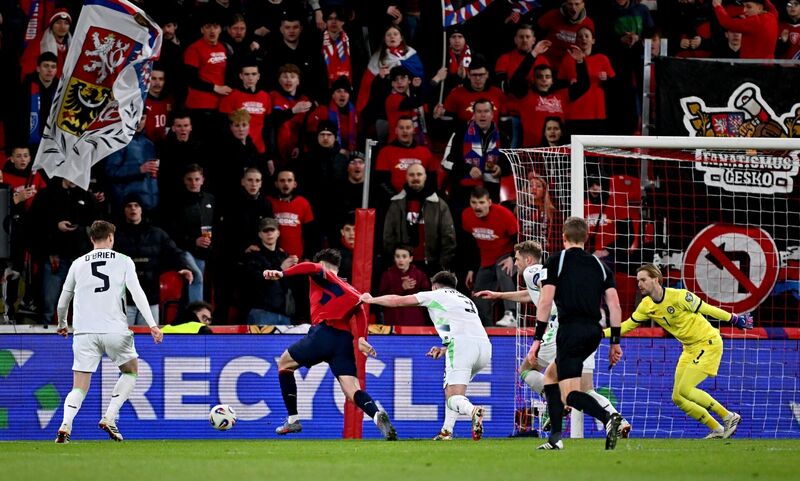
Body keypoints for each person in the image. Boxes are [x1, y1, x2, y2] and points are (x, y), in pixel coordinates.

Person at [475, 240, 630, 437]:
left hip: (560, 329)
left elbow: (544, 290)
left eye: (517, 259)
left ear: (528, 259)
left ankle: (554, 402)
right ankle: (618, 419)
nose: (515, 264)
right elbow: (531, 294)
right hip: (586, 329)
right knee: (587, 389)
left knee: (526, 369)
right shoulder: (549, 274)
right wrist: (499, 295)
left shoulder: (532, 271)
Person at [263, 248, 398, 440]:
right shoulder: (349, 288)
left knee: (284, 364)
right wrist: (361, 338)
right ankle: (377, 415)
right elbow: (360, 312)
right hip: (344, 341)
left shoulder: (321, 273)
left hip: (323, 333)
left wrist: (282, 273)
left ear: (324, 265)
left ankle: (292, 420)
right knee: (352, 390)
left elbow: (312, 266)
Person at [606, 264, 753, 439]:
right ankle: (718, 428)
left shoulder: (680, 296)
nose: (639, 284)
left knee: (686, 389)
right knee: (678, 397)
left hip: (708, 343)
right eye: (638, 280)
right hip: (690, 349)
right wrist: (599, 333)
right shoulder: (646, 306)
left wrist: (735, 319)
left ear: (656, 279)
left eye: (643, 280)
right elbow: (626, 326)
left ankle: (729, 416)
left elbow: (707, 309)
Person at [54, 221, 163, 443]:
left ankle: (66, 423)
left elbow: (63, 301)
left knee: (79, 385)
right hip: (115, 330)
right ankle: (110, 416)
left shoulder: (77, 264)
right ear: (111, 238)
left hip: (84, 332)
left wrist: (62, 324)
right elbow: (138, 294)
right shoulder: (124, 261)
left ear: (91, 239)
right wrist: (152, 324)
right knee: (131, 370)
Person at [527, 217, 624, 450]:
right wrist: (615, 343)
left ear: (563, 237)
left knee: (569, 393)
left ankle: (609, 418)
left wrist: (537, 339)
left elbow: (545, 300)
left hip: (570, 331)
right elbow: (615, 306)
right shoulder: (601, 265)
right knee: (550, 377)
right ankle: (555, 438)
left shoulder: (556, 261)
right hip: (594, 332)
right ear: (586, 238)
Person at [361, 271, 490, 441]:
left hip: (461, 346)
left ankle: (473, 411)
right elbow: (457, 327)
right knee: (450, 389)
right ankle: (446, 431)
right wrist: (444, 349)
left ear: (435, 285)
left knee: (453, 397)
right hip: (485, 348)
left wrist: (372, 300)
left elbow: (398, 301)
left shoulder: (436, 294)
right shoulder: (466, 300)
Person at [461, 187, 518, 327]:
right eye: (474, 202)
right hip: (486, 260)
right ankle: (485, 327)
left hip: (508, 255)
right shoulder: (467, 215)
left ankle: (511, 314)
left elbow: (518, 237)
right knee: (479, 294)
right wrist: (471, 268)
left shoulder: (504, 215)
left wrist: (513, 257)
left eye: (481, 202)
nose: (477, 206)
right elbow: (470, 244)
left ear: (489, 202)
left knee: (503, 269)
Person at [377, 245, 431, 326]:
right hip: (393, 320)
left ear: (411, 258)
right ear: (394, 258)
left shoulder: (420, 275)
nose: (400, 260)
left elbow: (427, 296)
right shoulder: (387, 275)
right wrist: (401, 287)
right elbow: (381, 297)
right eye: (397, 256)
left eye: (404, 256)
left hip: (415, 320)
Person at [712, 0, 778, 59]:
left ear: (760, 8)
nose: (744, 10)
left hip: (751, 68)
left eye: (749, 7)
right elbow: (773, 9)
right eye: (744, 6)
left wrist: (717, 6)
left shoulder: (755, 21)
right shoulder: (773, 16)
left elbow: (727, 22)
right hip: (769, 67)